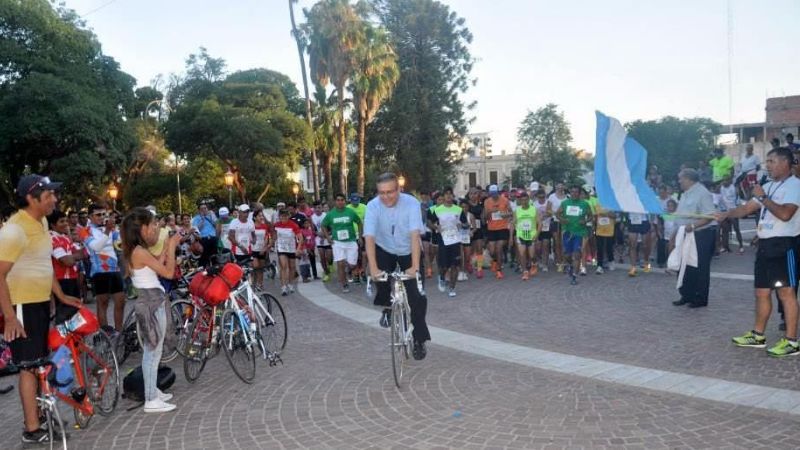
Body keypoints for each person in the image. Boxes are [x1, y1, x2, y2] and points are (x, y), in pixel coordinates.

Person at [0, 175, 81, 443]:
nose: (54, 200)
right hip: (21, 305)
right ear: (31, 199)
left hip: (40, 303)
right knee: (28, 365)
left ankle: (39, 416)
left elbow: (44, 265)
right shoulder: (15, 230)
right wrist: (10, 317)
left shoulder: (42, 222)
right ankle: (32, 428)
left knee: (39, 364)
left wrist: (60, 296)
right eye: (48, 196)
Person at [721, 148, 800, 356]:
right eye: (767, 161)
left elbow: (785, 215)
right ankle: (758, 335)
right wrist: (726, 213)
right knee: (761, 292)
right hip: (765, 246)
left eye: (772, 161)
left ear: (785, 163)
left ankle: (792, 341)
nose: (768, 165)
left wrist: (763, 198)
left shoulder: (795, 186)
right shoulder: (768, 185)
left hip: (784, 245)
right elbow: (746, 209)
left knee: (786, 292)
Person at [121, 207, 182, 412]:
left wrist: (165, 247)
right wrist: (172, 247)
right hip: (152, 303)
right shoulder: (139, 252)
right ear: (143, 228)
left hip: (150, 301)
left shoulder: (136, 250)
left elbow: (155, 265)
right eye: (153, 224)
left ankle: (152, 391)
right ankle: (150, 400)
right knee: (152, 352)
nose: (156, 228)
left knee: (153, 351)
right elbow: (168, 272)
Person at [365, 173, 430, 360]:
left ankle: (419, 339)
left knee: (416, 297)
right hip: (385, 248)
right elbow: (369, 238)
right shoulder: (372, 206)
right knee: (381, 275)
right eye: (381, 193)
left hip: (409, 250)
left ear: (399, 189)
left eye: (390, 192)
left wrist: (415, 267)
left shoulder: (411, 204)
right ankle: (387, 306)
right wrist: (374, 268)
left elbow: (414, 235)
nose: (386, 197)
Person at [671, 169, 717, 308]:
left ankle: (700, 298)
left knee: (699, 266)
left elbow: (710, 215)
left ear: (689, 179)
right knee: (684, 265)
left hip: (701, 234)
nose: (679, 181)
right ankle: (686, 294)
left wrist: (693, 225)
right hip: (685, 232)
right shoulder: (685, 194)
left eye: (681, 179)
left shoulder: (703, 193)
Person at [82, 203, 125, 330]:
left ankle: (119, 332)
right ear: (90, 216)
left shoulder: (109, 228)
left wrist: (119, 231)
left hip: (114, 268)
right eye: (98, 215)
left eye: (103, 214)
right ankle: (105, 333)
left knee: (121, 301)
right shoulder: (85, 231)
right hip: (99, 270)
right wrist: (107, 231)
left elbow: (120, 244)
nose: (101, 217)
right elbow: (96, 247)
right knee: (103, 303)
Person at [48, 209, 87, 323]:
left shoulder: (64, 237)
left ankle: (73, 340)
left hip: (72, 279)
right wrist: (74, 257)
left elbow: (83, 254)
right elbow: (67, 261)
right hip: (60, 281)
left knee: (75, 314)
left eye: (66, 220)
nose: (66, 224)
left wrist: (73, 257)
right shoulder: (51, 238)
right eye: (61, 221)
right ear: (52, 225)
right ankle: (62, 340)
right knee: (64, 315)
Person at [428, 188, 468, 297]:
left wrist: (462, 225)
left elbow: (465, 224)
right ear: (444, 196)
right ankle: (441, 277)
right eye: (446, 194)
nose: (449, 196)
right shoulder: (437, 210)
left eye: (451, 194)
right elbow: (429, 223)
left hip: (455, 240)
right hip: (443, 240)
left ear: (453, 196)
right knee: (444, 267)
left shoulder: (458, 210)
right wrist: (436, 227)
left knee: (454, 266)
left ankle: (452, 287)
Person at [321, 194, 362, 293]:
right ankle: (344, 284)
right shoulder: (331, 214)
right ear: (335, 202)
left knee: (352, 265)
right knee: (340, 264)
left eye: (342, 200)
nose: (340, 202)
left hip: (351, 241)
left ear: (345, 201)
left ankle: (349, 270)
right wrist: (328, 238)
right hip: (338, 242)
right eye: (338, 200)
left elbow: (359, 222)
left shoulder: (350, 212)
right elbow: (323, 225)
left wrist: (360, 237)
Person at [557, 185, 593, 283]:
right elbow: (557, 214)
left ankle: (574, 276)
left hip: (580, 232)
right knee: (567, 255)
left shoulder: (584, 204)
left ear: (579, 193)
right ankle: (570, 266)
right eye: (572, 192)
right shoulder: (565, 203)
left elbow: (591, 216)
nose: (574, 194)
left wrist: (585, 221)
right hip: (568, 232)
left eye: (576, 192)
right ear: (570, 193)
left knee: (577, 255)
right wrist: (563, 219)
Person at [483, 184, 512, 279]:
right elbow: (485, 217)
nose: (494, 196)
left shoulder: (505, 200)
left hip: (502, 228)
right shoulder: (487, 202)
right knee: (492, 251)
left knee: (499, 248)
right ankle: (495, 261)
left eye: (495, 193)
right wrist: (490, 212)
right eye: (492, 194)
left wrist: (505, 214)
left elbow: (511, 213)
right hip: (491, 228)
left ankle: (499, 270)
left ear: (498, 192)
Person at [273, 209, 304, 296]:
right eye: (282, 216)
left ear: (288, 216)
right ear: (279, 217)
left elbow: (300, 238)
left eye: (285, 216)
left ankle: (290, 284)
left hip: (291, 248)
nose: (284, 218)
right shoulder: (276, 225)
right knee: (283, 266)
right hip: (281, 248)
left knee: (292, 267)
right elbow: (274, 236)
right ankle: (283, 287)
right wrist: (270, 245)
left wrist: (298, 248)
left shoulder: (293, 225)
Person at [512, 191, 540, 280]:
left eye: (526, 200)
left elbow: (540, 223)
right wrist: (511, 237)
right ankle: (525, 272)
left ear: (528, 200)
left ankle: (534, 263)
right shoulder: (517, 210)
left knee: (532, 255)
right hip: (521, 235)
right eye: (522, 200)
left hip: (531, 235)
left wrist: (537, 234)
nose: (524, 202)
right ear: (520, 201)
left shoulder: (534, 209)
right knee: (522, 253)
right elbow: (513, 223)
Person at [718, 177, 744, 254]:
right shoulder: (721, 188)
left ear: (730, 180)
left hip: (733, 211)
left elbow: (737, 201)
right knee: (724, 230)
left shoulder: (734, 189)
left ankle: (741, 246)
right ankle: (725, 247)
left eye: (726, 180)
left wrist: (739, 211)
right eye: (723, 180)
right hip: (724, 211)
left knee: (737, 229)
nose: (724, 181)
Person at [547, 183, 568, 271]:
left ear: (564, 187)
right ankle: (559, 262)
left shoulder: (567, 197)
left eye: (561, 186)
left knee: (564, 243)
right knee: (557, 242)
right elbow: (548, 209)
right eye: (558, 187)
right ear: (556, 188)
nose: (560, 188)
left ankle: (564, 261)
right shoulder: (552, 197)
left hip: (564, 222)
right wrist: (556, 214)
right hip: (555, 221)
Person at [626, 212, 653, 277]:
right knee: (632, 245)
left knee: (645, 245)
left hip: (644, 220)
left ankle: (646, 262)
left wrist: (651, 222)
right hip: (632, 219)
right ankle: (633, 267)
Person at [191, 201, 218, 267]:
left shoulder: (211, 216)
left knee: (214, 256)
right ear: (199, 210)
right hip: (204, 239)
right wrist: (202, 219)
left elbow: (216, 226)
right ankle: (202, 268)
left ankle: (214, 269)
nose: (204, 210)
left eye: (205, 208)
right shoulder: (196, 218)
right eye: (202, 209)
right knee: (205, 256)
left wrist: (211, 218)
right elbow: (196, 229)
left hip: (213, 238)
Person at [311, 201, 332, 282]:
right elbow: (313, 230)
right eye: (316, 208)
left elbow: (331, 228)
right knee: (322, 257)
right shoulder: (312, 218)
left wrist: (325, 235)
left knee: (329, 258)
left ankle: (330, 264)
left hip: (328, 238)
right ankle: (326, 273)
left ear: (322, 208)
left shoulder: (326, 216)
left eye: (319, 207)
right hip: (319, 240)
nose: (317, 209)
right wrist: (318, 234)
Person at [467, 189, 486, 278]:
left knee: (479, 249)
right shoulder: (466, 205)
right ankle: (469, 263)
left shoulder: (481, 205)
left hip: (478, 229)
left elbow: (483, 218)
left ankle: (479, 268)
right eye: (471, 194)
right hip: (469, 229)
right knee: (470, 250)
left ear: (478, 195)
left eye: (475, 193)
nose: (473, 195)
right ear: (469, 195)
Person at [251, 210, 271, 289]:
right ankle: (253, 282)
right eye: (259, 216)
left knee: (261, 268)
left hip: (262, 249)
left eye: (262, 216)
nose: (261, 217)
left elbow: (266, 238)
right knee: (255, 266)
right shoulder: (251, 226)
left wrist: (264, 248)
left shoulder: (264, 226)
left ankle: (260, 284)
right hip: (253, 249)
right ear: (255, 217)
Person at [594, 204, 616, 274]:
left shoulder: (611, 205)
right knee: (599, 248)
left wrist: (606, 213)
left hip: (609, 230)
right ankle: (599, 265)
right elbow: (595, 216)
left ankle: (611, 261)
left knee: (609, 247)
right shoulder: (597, 205)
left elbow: (614, 216)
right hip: (599, 230)